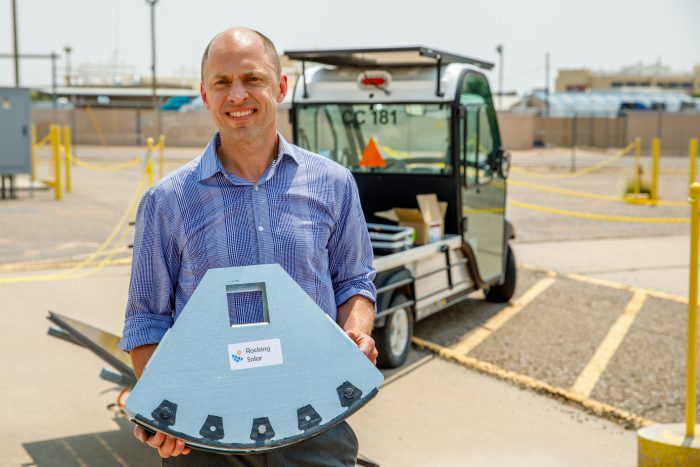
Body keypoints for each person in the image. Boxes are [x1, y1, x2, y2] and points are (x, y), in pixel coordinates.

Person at [118, 27, 378, 466]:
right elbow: (147, 319)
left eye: (252, 79)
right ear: (205, 94)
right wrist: (163, 409)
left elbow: (354, 279)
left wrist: (358, 331)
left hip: (315, 418)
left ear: (280, 86)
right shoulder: (166, 201)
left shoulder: (333, 184)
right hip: (205, 427)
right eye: (222, 83)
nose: (237, 94)